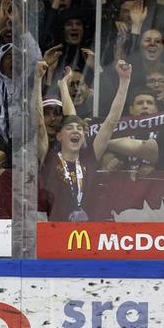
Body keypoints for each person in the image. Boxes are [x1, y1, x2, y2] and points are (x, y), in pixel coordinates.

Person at [36, 59, 132, 221]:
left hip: (89, 234)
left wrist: (124, 81)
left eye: (80, 128)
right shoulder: (49, 157)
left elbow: (111, 121)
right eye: (70, 128)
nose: (76, 131)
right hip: (55, 233)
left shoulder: (89, 156)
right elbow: (39, 124)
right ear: (59, 136)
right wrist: (38, 80)